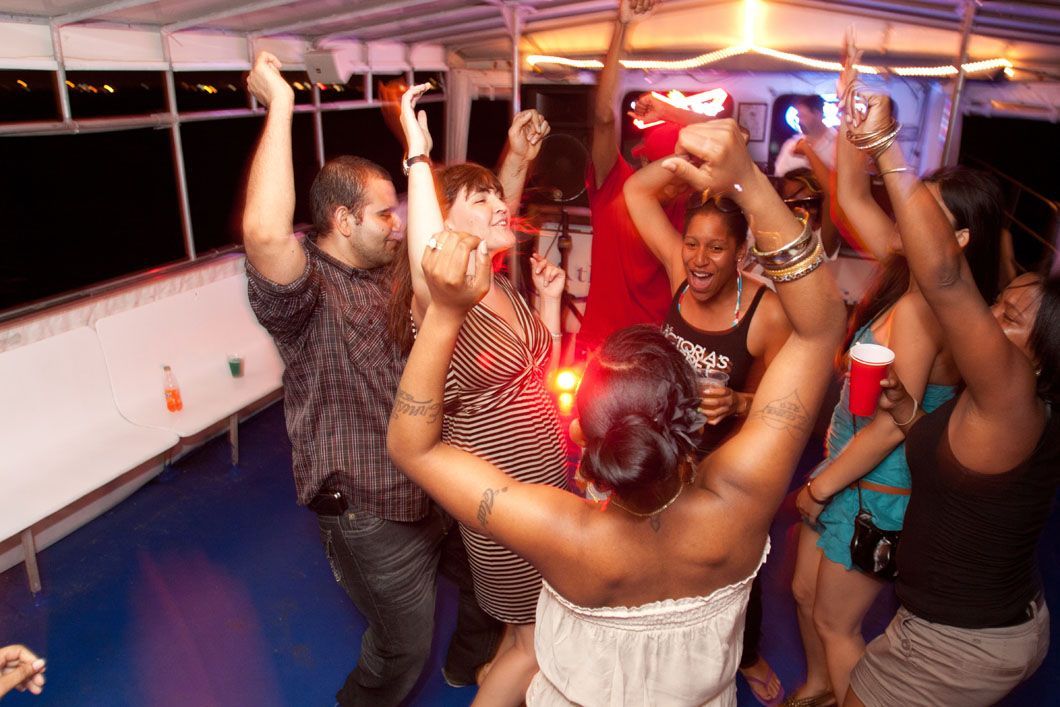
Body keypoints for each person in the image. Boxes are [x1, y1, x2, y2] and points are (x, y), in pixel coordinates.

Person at [388, 118, 848, 705]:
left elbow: (414, 447)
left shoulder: (557, 529)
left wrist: (444, 315)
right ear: (687, 421)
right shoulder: (744, 497)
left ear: (580, 434)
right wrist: (751, 184)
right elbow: (822, 327)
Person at [239, 51, 499, 706]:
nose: (398, 224)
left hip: (431, 478)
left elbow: (441, 249)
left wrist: (419, 154)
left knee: (488, 578)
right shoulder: (306, 295)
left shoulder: (388, 269)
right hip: (368, 509)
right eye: (384, 214)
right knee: (401, 646)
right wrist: (282, 106)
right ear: (341, 220)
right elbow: (264, 233)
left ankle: (471, 664)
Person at [782, 45, 1005, 707]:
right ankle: (821, 684)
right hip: (847, 468)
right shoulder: (906, 261)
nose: (906, 216)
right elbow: (849, 191)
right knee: (801, 592)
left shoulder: (935, 310)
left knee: (836, 619)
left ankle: (843, 690)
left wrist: (819, 488)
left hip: (882, 490)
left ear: (960, 241)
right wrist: (847, 114)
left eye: (923, 209)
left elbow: (887, 425)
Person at [842, 84, 1060, 707]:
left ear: (1043, 362)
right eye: (1000, 301)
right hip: (964, 621)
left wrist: (887, 146)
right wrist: (909, 413)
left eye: (1011, 318)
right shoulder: (1000, 404)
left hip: (958, 641)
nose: (993, 314)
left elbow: (943, 277)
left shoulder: (1015, 395)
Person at [394, 83, 566, 706]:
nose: (500, 205)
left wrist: (548, 300)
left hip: (545, 484)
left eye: (499, 196)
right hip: (498, 493)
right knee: (535, 642)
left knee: (525, 636)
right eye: (481, 199)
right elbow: (425, 261)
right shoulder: (446, 295)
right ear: (444, 223)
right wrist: (418, 157)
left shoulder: (498, 284)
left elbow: (536, 370)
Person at [624, 153, 793, 704]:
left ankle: (747, 654)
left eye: (715, 247)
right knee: (656, 555)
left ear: (741, 253)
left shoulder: (766, 314)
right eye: (691, 242)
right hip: (666, 453)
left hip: (726, 466)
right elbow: (637, 194)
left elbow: (783, 407)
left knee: (736, 564)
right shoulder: (680, 274)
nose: (698, 258)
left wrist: (741, 401)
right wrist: (692, 169)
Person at [575, 0, 711, 359]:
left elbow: (736, 136)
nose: (678, 176)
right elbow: (604, 116)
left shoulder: (688, 207)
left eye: (683, 167)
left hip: (655, 350)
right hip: (601, 347)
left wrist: (668, 110)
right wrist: (621, 29)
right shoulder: (614, 186)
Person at [773, 95, 837, 178]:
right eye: (798, 117)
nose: (799, 121)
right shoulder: (790, 145)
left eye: (803, 116)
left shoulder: (838, 143)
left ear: (817, 114)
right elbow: (779, 176)